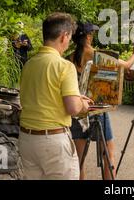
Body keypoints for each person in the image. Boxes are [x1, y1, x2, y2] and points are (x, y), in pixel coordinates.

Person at [18, 13, 93, 180]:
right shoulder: (64, 66)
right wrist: (84, 105)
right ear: (64, 36)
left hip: (27, 140)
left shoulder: (29, 64)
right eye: (69, 37)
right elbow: (73, 108)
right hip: (53, 141)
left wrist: (77, 100)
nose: (68, 43)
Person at [68, 22, 134, 180]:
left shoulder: (69, 58)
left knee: (79, 162)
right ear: (88, 37)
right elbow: (127, 66)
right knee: (108, 157)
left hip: (79, 111)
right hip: (97, 109)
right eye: (92, 34)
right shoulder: (98, 55)